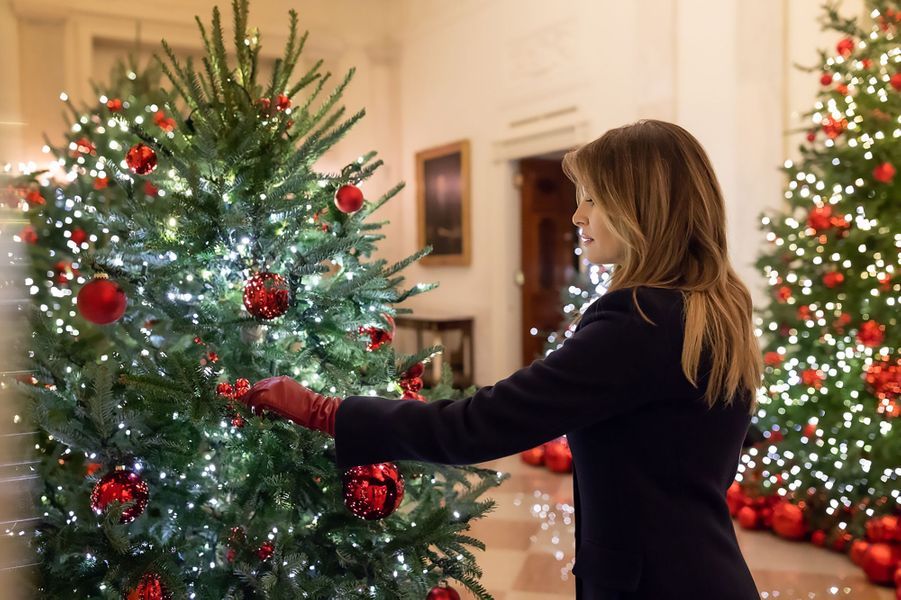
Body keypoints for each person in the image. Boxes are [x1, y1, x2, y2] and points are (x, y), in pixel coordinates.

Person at [240, 119, 764, 600]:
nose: (577, 215)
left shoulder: (639, 321)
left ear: (644, 209)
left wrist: (327, 412)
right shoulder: (711, 307)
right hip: (703, 569)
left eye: (594, 200)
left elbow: (481, 424)